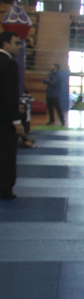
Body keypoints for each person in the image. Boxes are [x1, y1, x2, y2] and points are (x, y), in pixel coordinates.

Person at [0, 31, 22, 200]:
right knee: (6, 154)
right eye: (16, 43)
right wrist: (15, 120)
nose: (20, 47)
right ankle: (5, 189)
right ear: (5, 44)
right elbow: (9, 95)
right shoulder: (9, 64)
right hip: (4, 120)